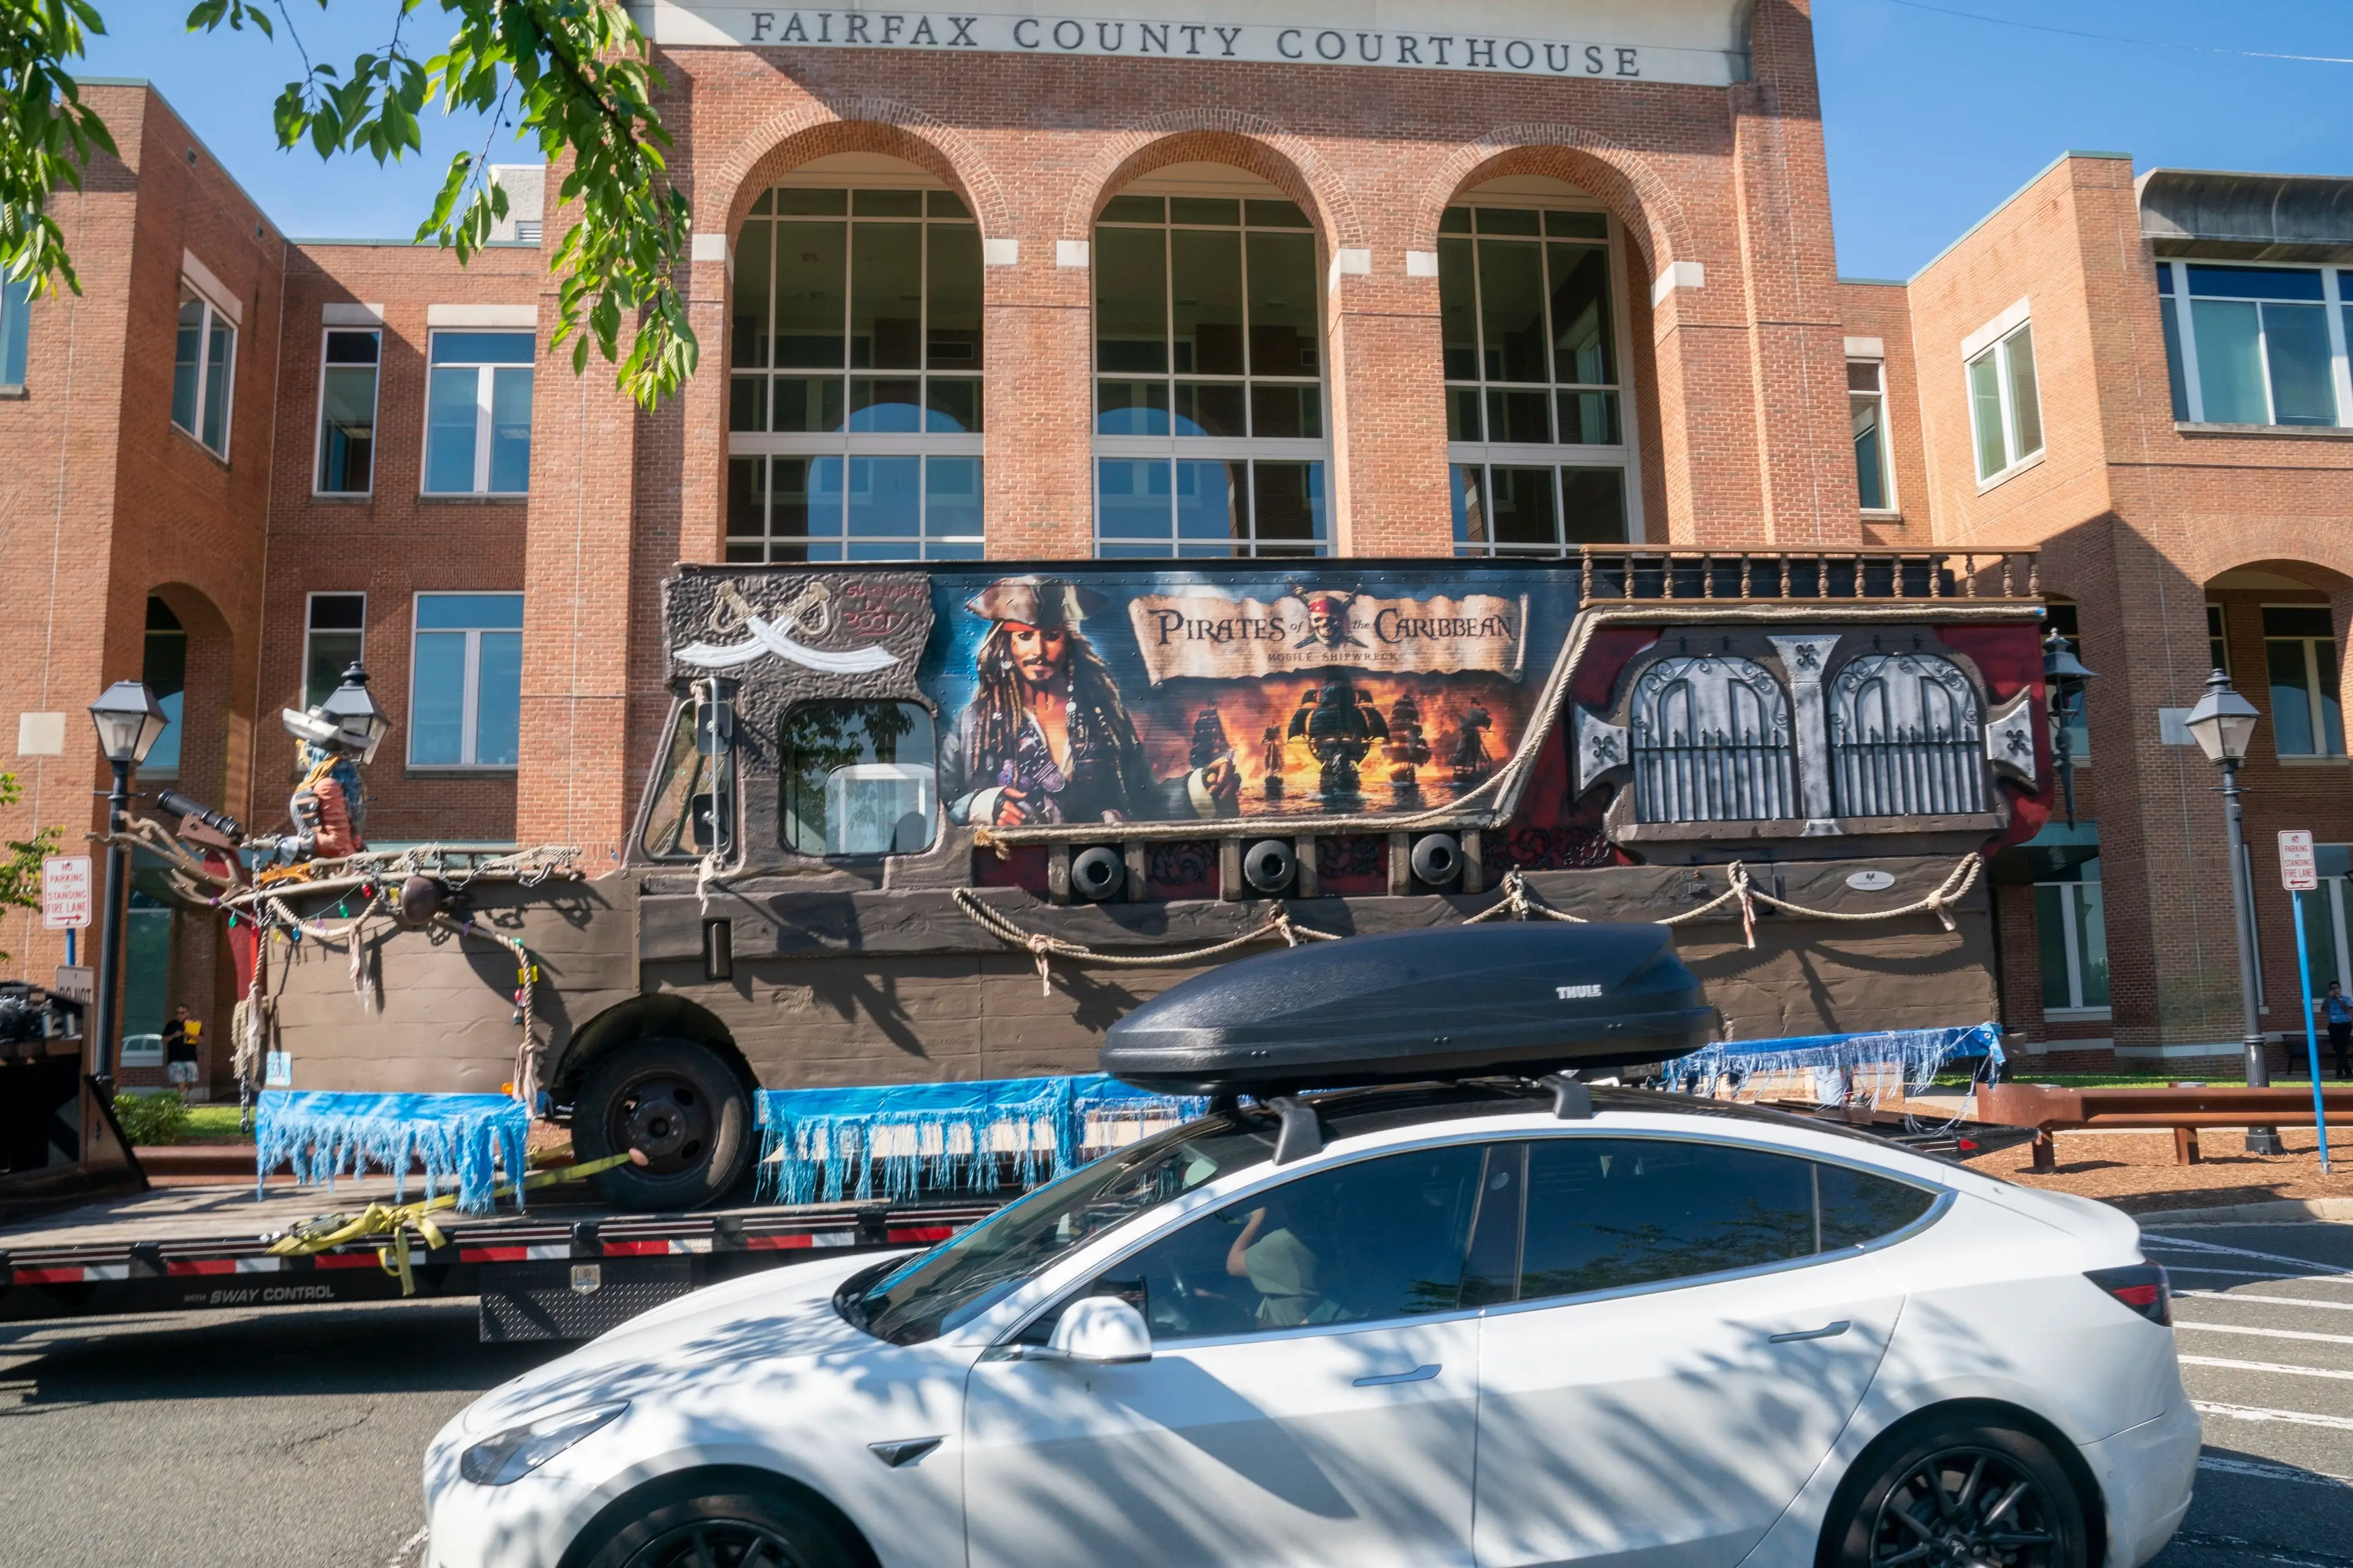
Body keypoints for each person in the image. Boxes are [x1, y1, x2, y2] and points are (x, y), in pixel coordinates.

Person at [939, 576, 1239, 827]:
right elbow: (943, 803)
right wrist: (981, 805)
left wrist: (1202, 786)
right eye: (1025, 637)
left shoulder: (1104, 716)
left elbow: (1145, 801)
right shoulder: (973, 722)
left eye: (1052, 636)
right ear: (1007, 644)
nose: (1039, 650)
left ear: (1069, 642)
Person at [162, 1006, 200, 1092]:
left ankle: (190, 1098)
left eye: (182, 1013)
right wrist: (174, 1035)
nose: (179, 1015)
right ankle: (181, 1102)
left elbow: (200, 1039)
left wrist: (187, 1034)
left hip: (190, 1057)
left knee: (191, 1080)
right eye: (177, 1013)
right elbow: (164, 1040)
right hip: (175, 1058)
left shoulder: (193, 1024)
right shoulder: (171, 1025)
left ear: (188, 1013)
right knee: (181, 1080)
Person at [2326, 981, 2352, 1079]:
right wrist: (2329, 999)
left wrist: (2339, 999)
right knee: (2339, 1050)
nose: (2335, 990)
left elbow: (2347, 1010)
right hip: (2333, 1026)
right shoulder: (2328, 1000)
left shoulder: (2346, 999)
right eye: (2332, 988)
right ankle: (2349, 1072)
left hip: (2345, 1025)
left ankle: (2339, 1073)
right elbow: (2324, 1009)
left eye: (2336, 988)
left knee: (2343, 1049)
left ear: (2340, 989)